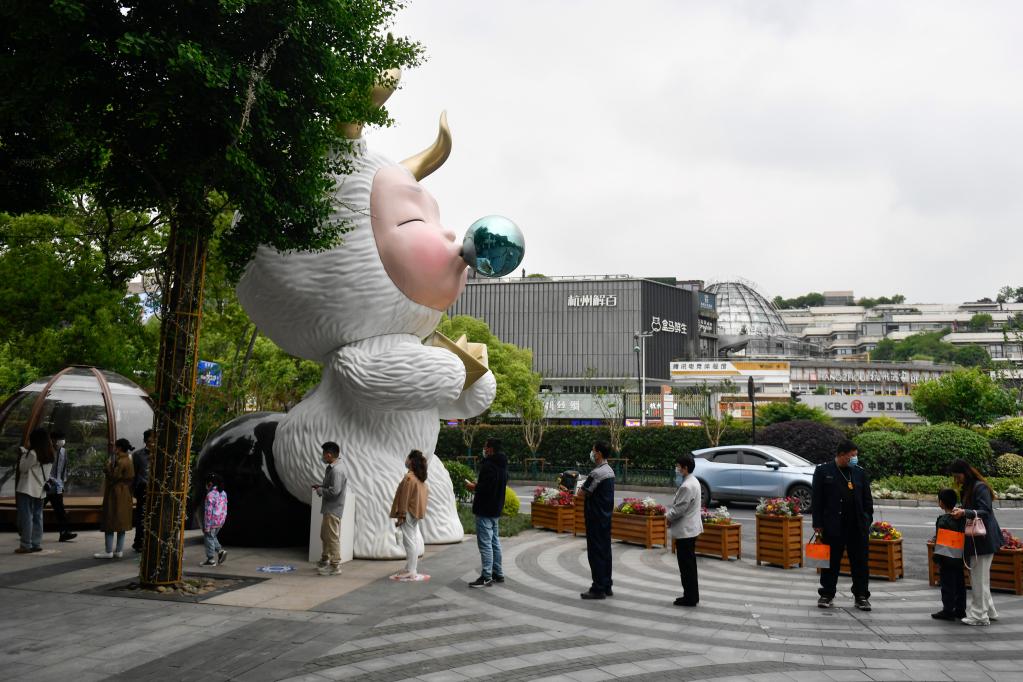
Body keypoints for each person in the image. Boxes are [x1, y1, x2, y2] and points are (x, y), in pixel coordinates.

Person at [812, 439, 873, 611]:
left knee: (860, 563)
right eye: (852, 455)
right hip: (833, 525)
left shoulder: (859, 472)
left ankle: (861, 596)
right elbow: (817, 500)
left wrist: (867, 519)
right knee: (831, 562)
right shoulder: (823, 471)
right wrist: (818, 523)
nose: (855, 458)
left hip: (857, 526)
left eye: (856, 455)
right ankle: (827, 594)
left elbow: (867, 500)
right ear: (841, 455)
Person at [948, 459, 1004, 626]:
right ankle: (989, 611)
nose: (956, 480)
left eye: (957, 476)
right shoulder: (971, 487)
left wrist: (964, 512)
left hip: (983, 540)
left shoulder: (979, 487)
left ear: (965, 473)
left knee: (978, 579)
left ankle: (979, 616)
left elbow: (985, 511)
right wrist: (963, 511)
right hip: (980, 539)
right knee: (981, 578)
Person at [467, 437, 508, 588]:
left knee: (485, 544)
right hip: (496, 509)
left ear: (491, 449)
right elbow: (494, 485)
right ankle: (498, 573)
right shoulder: (503, 465)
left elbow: (485, 488)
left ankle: (486, 576)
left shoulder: (489, 465)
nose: (484, 449)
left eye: (485, 447)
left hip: (484, 509)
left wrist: (474, 487)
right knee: (495, 542)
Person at [580, 441, 615, 600]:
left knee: (595, 553)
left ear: (599, 453)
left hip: (595, 518)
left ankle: (598, 588)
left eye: (593, 450)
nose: (592, 453)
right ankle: (607, 585)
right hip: (606, 518)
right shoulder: (610, 471)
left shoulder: (597, 473)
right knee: (605, 552)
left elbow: (582, 493)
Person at [666, 452, 702, 607]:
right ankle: (692, 595)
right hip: (690, 530)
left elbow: (679, 509)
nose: (676, 469)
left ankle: (690, 597)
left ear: (685, 468)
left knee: (686, 567)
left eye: (678, 466)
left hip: (685, 531)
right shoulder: (694, 481)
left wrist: (667, 517)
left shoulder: (687, 486)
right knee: (690, 565)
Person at [389, 449, 428, 581]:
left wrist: (401, 515)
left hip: (408, 512)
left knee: (409, 541)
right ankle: (410, 567)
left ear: (411, 461)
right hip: (415, 512)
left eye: (407, 458)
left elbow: (404, 498)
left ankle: (411, 570)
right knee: (413, 539)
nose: (405, 460)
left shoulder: (409, 478)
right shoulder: (419, 478)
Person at [14, 427, 54, 553]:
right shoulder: (50, 453)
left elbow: (23, 468)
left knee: (26, 516)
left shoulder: (32, 453)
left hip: (27, 489)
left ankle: (25, 545)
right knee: (38, 516)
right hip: (40, 490)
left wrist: (23, 454)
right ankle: (36, 543)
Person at [95, 439, 135, 559]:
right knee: (121, 523)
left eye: (115, 447)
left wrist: (107, 466)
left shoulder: (120, 461)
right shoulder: (129, 459)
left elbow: (114, 476)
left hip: (115, 493)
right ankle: (119, 550)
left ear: (119, 448)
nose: (113, 449)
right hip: (125, 493)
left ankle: (108, 551)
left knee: (110, 521)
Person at [931, 488, 967, 621]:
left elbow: (941, 542)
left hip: (946, 558)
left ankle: (948, 610)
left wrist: (936, 558)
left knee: (947, 585)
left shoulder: (943, 520)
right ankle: (960, 609)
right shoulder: (961, 518)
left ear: (941, 502)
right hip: (959, 556)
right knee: (960, 583)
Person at [313, 441, 348, 576]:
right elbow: (333, 488)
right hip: (330, 508)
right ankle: (325, 560)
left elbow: (335, 491)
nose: (322, 456)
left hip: (333, 509)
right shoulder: (334, 468)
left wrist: (321, 490)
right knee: (325, 535)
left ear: (328, 455)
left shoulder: (337, 470)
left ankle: (335, 566)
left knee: (332, 538)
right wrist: (321, 487)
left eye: (323, 454)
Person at [43, 429, 76, 542]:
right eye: (59, 439)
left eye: (62, 439)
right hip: (45, 485)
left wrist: (62, 483)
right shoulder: (45, 451)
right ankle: (25, 529)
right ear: (52, 440)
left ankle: (64, 533)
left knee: (60, 510)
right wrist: (50, 480)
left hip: (57, 486)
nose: (62, 441)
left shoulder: (63, 451)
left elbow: (64, 468)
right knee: (37, 509)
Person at [131, 429, 155, 552]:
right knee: (141, 516)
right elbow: (134, 474)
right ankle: (139, 542)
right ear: (145, 440)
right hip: (142, 489)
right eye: (150, 440)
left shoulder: (160, 454)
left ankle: (152, 542)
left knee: (154, 516)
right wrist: (134, 490)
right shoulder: (137, 455)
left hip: (156, 489)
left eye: (154, 440)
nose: (152, 443)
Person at [199, 473, 228, 567]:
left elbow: (208, 512)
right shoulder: (223, 493)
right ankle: (220, 551)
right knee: (212, 537)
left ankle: (210, 559)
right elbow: (225, 508)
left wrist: (206, 526)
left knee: (208, 538)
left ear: (210, 484)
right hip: (220, 521)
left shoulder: (210, 495)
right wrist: (223, 520)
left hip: (211, 521)